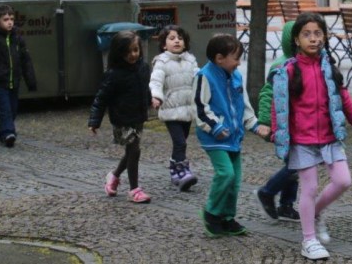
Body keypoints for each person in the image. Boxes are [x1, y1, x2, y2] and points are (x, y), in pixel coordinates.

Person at [271, 12, 352, 261]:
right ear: (296, 40)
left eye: (318, 33)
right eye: (307, 34)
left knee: (343, 181)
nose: (313, 39)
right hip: (302, 140)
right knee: (309, 187)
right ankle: (309, 240)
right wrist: (276, 132)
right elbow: (279, 105)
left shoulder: (330, 68)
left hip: (330, 136)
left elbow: (344, 99)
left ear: (325, 37)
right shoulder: (288, 70)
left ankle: (314, 212)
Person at [195, 34, 270, 236]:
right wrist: (215, 127)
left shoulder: (236, 77)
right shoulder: (204, 76)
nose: (238, 63)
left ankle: (227, 217)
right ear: (220, 58)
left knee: (235, 180)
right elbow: (200, 108)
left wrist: (255, 125)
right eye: (236, 58)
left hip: (233, 137)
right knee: (225, 174)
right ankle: (211, 213)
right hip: (214, 138)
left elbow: (243, 106)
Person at [89, 30, 152, 204]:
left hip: (138, 116)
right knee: (134, 150)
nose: (133, 55)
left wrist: (150, 100)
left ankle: (114, 176)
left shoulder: (143, 68)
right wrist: (94, 121)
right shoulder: (114, 74)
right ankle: (134, 190)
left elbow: (145, 87)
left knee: (132, 152)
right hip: (122, 119)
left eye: (135, 50)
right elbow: (101, 98)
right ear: (119, 53)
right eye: (127, 52)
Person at [254, 20, 301, 222]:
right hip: (285, 124)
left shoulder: (307, 63)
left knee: (295, 163)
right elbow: (267, 94)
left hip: (300, 124)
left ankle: (286, 205)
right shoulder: (281, 66)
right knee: (297, 164)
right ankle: (268, 191)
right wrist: (265, 121)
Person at [0, 4, 37, 147]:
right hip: (0, 81)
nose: (9, 22)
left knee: (13, 109)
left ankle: (3, 132)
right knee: (5, 109)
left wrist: (31, 81)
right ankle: (9, 133)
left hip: (14, 80)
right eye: (5, 19)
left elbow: (26, 60)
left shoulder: (18, 38)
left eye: (11, 19)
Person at [149, 24, 200, 190]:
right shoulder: (162, 62)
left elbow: (199, 79)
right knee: (180, 143)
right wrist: (156, 96)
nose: (177, 41)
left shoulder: (191, 60)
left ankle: (174, 167)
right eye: (172, 38)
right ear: (164, 45)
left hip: (187, 110)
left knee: (182, 141)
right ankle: (182, 171)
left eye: (180, 38)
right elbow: (156, 81)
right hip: (170, 110)